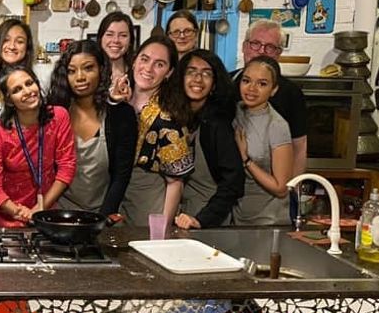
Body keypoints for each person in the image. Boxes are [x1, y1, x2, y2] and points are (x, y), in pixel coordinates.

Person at [46, 40, 136, 215]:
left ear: (101, 70)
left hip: (102, 213)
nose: (80, 77)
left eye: (88, 68)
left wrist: (102, 219)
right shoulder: (54, 113)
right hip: (58, 212)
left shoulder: (121, 115)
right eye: (72, 71)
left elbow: (121, 176)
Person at [115, 36, 194, 226]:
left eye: (159, 64)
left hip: (147, 197)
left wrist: (162, 229)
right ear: (134, 61)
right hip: (114, 193)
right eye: (144, 59)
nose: (148, 69)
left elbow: (175, 182)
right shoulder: (117, 98)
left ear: (169, 73)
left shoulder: (168, 116)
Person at [0, 66, 76, 228]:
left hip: (46, 213)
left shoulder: (59, 116)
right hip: (7, 220)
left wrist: (40, 209)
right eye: (17, 89)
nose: (27, 91)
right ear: (10, 100)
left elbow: (67, 167)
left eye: (29, 83)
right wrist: (20, 212)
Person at [173, 49, 245, 230]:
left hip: (206, 221)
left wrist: (202, 219)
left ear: (214, 85)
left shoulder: (217, 125)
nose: (198, 79)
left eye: (206, 74)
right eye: (191, 72)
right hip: (178, 215)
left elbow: (233, 182)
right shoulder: (174, 118)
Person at [233, 19, 308, 176]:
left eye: (270, 47)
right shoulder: (226, 83)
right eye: (255, 44)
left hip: (271, 184)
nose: (261, 51)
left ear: (278, 54)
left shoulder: (291, 93)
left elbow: (299, 147)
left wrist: (292, 188)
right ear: (244, 47)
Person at [233, 56, 294, 226]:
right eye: (247, 81)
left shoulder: (277, 126)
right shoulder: (236, 110)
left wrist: (246, 159)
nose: (251, 89)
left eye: (262, 84)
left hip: (268, 219)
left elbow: (281, 188)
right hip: (237, 216)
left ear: (273, 90)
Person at [96, 11, 135, 95]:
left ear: (130, 41)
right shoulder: (92, 71)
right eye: (109, 34)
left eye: (123, 35)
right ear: (100, 38)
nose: (116, 40)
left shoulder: (137, 73)